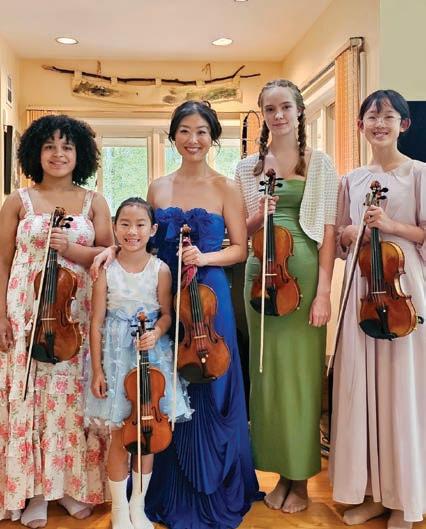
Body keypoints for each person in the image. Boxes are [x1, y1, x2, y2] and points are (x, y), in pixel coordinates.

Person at [92, 100, 260, 529]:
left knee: (212, 386)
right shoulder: (158, 187)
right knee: (162, 388)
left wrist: (205, 256)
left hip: (208, 298)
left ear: (213, 137)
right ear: (173, 137)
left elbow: (241, 249)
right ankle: (154, 494)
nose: (193, 139)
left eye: (201, 131)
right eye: (184, 131)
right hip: (165, 301)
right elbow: (142, 239)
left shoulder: (227, 187)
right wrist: (111, 250)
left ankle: (214, 486)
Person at [0, 115, 114, 527]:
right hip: (25, 312)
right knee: (29, 399)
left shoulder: (94, 202)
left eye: (67, 146)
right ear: (36, 152)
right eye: (49, 146)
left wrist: (71, 249)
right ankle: (33, 492)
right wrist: (1, 315)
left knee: (70, 401)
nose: (58, 154)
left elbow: (109, 254)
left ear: (80, 153)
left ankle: (67, 488)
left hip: (73, 315)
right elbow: (3, 261)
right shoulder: (18, 201)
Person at [234, 79, 338, 513]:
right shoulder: (247, 168)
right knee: (267, 376)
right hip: (261, 274)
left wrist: (324, 291)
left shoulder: (320, 163)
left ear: (299, 112)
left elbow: (328, 230)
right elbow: (239, 230)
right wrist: (259, 215)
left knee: (301, 377)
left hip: (306, 275)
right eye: (270, 109)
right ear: (263, 115)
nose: (277, 116)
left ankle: (301, 478)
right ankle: (278, 472)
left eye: (285, 108)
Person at [329, 90, 426, 529]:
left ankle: (405, 500)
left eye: (388, 116)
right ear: (360, 126)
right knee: (362, 389)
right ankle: (371, 493)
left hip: (403, 290)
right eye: (371, 116)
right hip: (362, 290)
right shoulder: (351, 180)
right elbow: (339, 238)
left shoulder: (419, 173)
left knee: (401, 390)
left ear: (404, 124)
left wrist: (390, 225)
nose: (379, 124)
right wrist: (350, 232)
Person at [86, 197, 192, 529]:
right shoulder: (106, 269)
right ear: (115, 227)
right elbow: (95, 322)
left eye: (140, 225)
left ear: (153, 229)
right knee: (120, 437)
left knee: (147, 436)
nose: (132, 231)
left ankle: (138, 507)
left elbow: (167, 315)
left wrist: (157, 332)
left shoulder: (161, 270)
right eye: (125, 224)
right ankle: (119, 509)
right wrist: (98, 370)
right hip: (116, 359)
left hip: (151, 359)